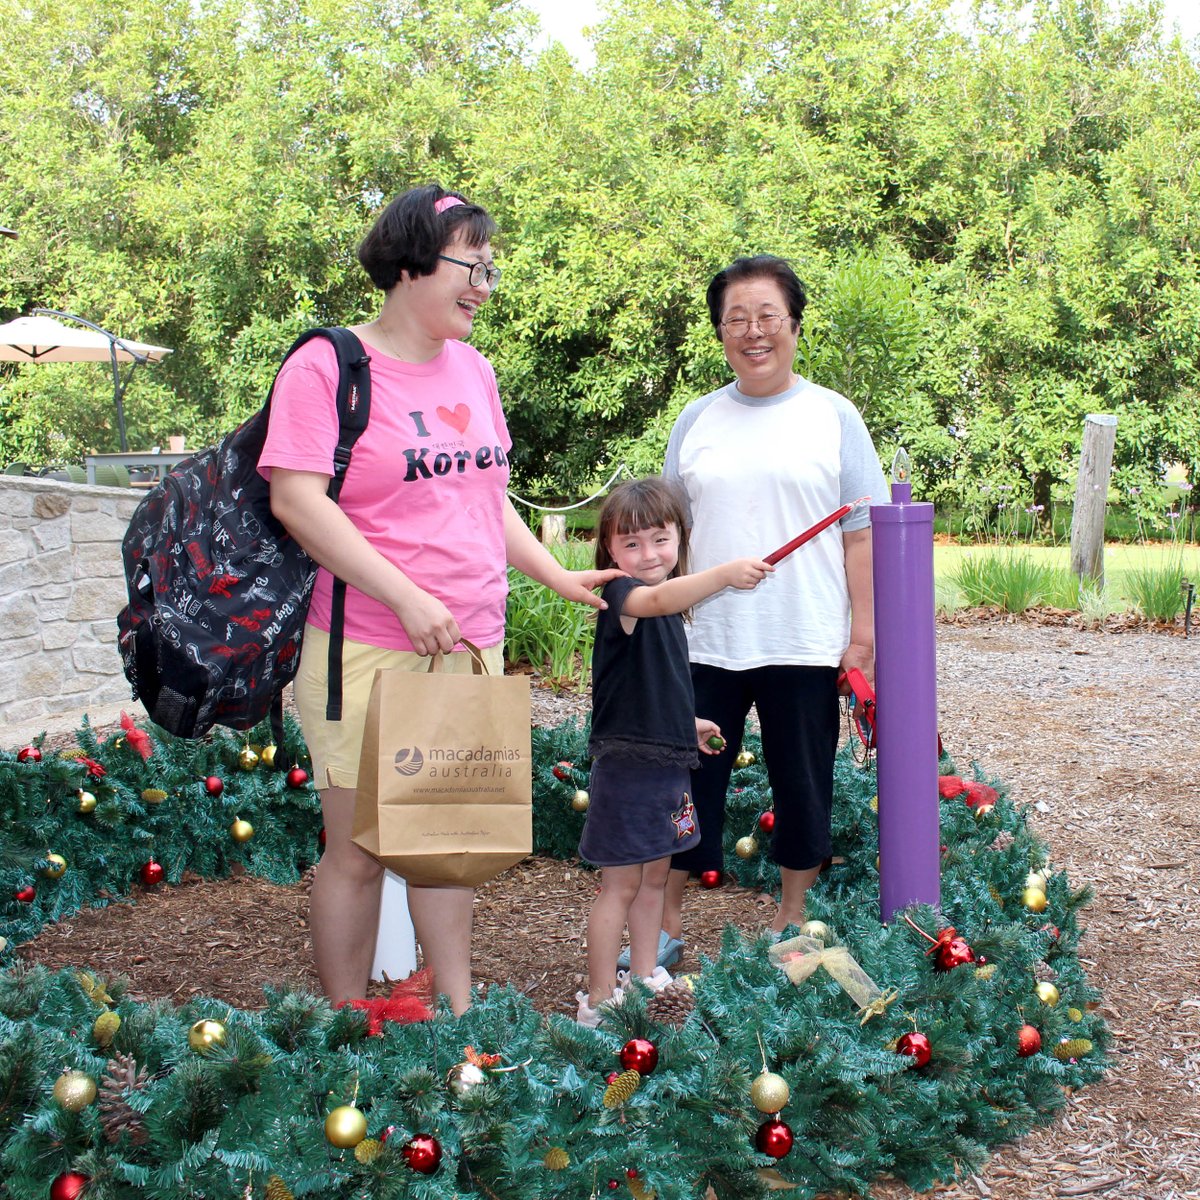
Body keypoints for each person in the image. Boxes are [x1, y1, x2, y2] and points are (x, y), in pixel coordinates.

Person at [259, 184, 622, 1016]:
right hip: (367, 645)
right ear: (410, 262)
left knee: (445, 841)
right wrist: (407, 596)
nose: (484, 287)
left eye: (492, 270)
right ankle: (347, 1022)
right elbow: (297, 501)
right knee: (356, 850)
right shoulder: (327, 366)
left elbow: (487, 499)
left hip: (468, 643)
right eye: (472, 266)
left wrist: (555, 576)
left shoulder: (475, 371)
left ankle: (455, 1013)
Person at [659, 254, 888, 952]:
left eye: (767, 316)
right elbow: (670, 533)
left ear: (794, 324)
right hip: (706, 639)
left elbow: (861, 534)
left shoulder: (833, 416)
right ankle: (663, 925)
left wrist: (864, 635)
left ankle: (793, 922)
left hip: (803, 637)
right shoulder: (696, 419)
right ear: (719, 332)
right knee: (686, 786)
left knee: (802, 785)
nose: (753, 332)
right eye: (736, 319)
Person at [577, 476, 772, 1025]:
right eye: (631, 543)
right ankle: (599, 999)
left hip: (667, 763)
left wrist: (687, 724)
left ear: (679, 538)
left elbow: (647, 688)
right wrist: (724, 574)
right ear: (610, 550)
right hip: (627, 768)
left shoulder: (664, 616)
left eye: (660, 540)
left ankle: (643, 974)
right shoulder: (624, 595)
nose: (648, 554)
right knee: (620, 884)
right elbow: (660, 596)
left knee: (655, 880)